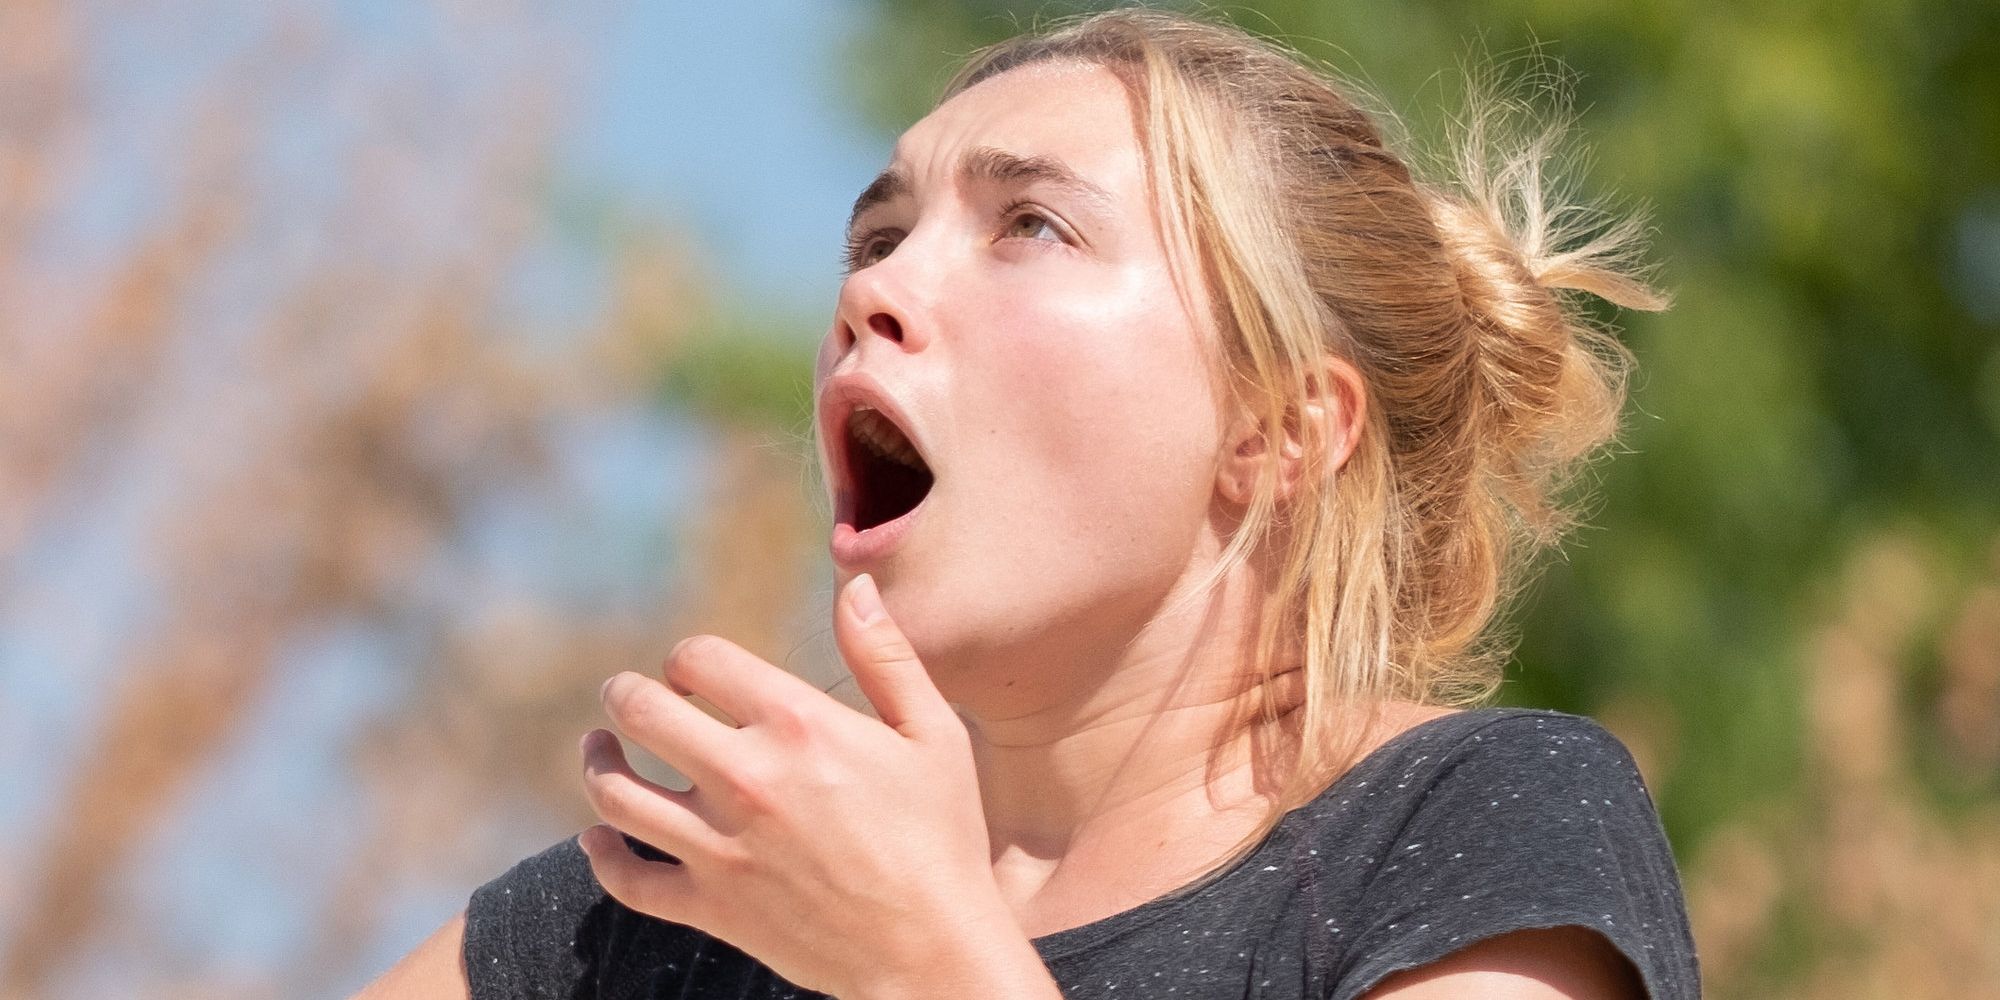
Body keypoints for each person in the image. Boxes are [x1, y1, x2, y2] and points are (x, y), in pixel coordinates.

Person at [355, 8, 1699, 999]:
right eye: (879, 236)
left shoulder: (1466, 825)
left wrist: (923, 966)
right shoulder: (661, 911)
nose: (868, 292)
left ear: (1280, 429)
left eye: (1031, 227)